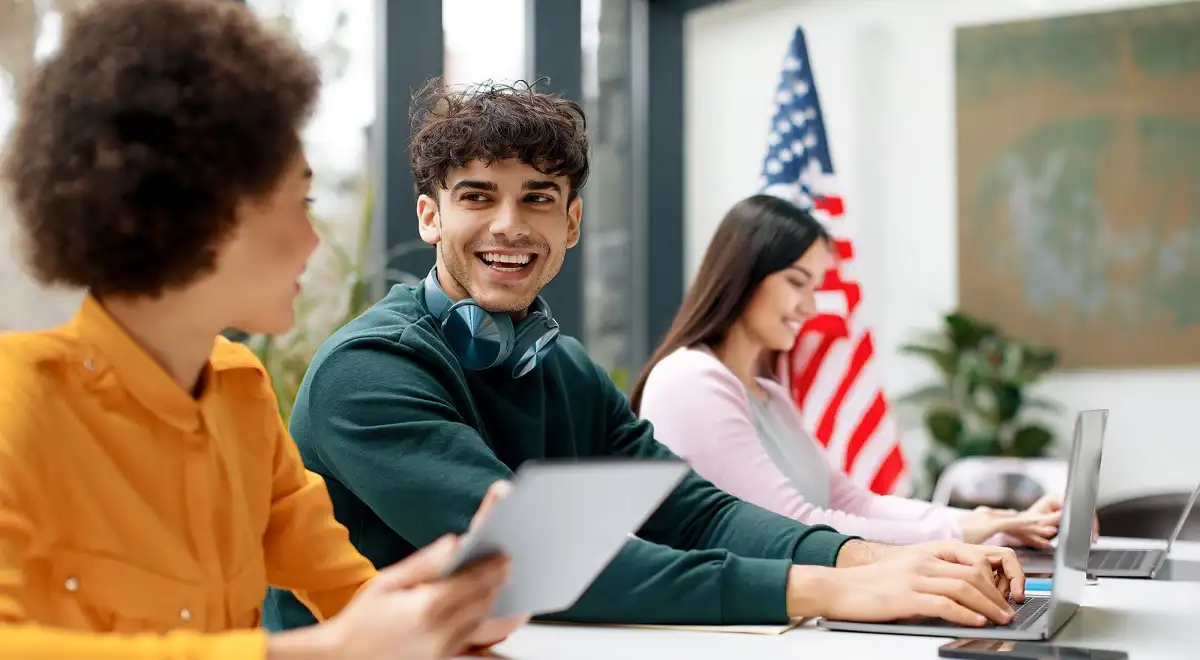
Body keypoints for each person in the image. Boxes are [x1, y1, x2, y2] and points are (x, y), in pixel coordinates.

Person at [263, 78, 1030, 634]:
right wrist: (831, 590)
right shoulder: (369, 373)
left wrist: (874, 562)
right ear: (430, 217)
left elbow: (692, 511)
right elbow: (532, 563)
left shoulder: (559, 365)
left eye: (537, 197)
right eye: (476, 196)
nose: (509, 224)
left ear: (572, 222)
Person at [0, 1, 511, 658]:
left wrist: (445, 609)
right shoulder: (18, 405)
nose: (311, 242)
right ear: (208, 211)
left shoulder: (241, 397)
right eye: (299, 202)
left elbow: (346, 590)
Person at [630, 194, 1066, 548]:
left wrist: (996, 524)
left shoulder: (769, 395)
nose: (810, 307)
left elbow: (849, 500)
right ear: (744, 274)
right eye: (797, 283)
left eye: (815, 288)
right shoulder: (691, 380)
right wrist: (958, 533)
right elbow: (793, 525)